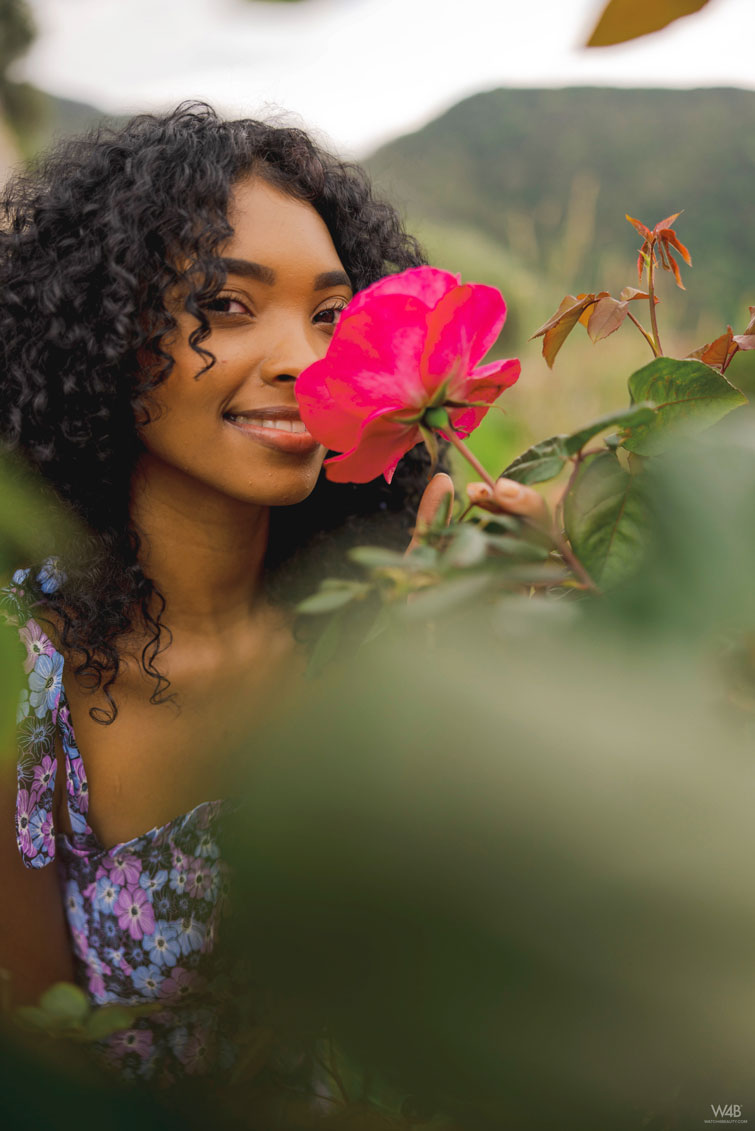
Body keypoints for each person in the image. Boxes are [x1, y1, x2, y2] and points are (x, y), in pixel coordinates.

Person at [0, 102, 544, 1083]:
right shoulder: (23, 683)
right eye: (226, 304)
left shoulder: (377, 609)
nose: (305, 358)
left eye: (331, 316)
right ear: (99, 327)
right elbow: (43, 1074)